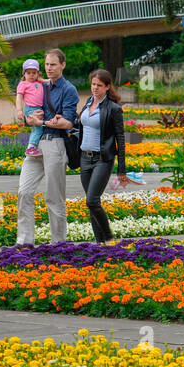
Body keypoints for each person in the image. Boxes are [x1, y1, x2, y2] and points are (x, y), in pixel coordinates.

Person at [16, 48, 78, 245]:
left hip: (56, 144)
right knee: (24, 192)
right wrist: (28, 118)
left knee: (54, 197)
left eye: (53, 64)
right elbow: (28, 113)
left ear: (63, 65)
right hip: (36, 144)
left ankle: (58, 243)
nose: (49, 68)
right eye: (47, 65)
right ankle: (25, 242)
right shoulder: (40, 86)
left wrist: (41, 123)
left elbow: (68, 123)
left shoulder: (69, 89)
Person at [78, 69, 137, 243]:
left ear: (107, 87)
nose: (95, 88)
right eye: (93, 84)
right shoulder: (88, 103)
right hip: (84, 158)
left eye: (99, 85)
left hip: (102, 160)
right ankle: (100, 244)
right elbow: (82, 127)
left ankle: (109, 239)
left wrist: (122, 169)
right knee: (91, 205)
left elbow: (120, 139)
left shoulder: (113, 108)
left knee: (92, 200)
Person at [14, 59, 47, 156]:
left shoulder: (39, 82)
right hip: (30, 108)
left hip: (39, 108)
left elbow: (50, 81)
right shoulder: (23, 84)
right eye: (28, 73)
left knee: (39, 128)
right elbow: (19, 98)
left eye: (34, 72)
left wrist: (43, 80)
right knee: (38, 128)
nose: (31, 75)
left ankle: (35, 146)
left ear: (38, 73)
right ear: (24, 74)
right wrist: (19, 110)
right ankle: (31, 148)